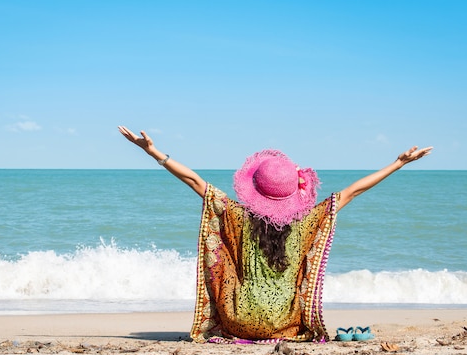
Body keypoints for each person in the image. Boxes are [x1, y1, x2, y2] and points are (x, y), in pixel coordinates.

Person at [118, 126, 432, 343]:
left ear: (255, 188)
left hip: (239, 319)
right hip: (285, 322)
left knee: (224, 260)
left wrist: (154, 152)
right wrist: (398, 163)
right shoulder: (308, 221)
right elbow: (354, 191)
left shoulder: (239, 216)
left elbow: (195, 182)